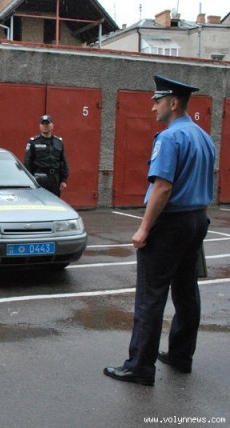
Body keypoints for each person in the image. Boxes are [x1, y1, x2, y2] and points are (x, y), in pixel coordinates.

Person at [104, 75, 215, 386]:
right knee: (186, 291)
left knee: (150, 296)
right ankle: (181, 356)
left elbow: (163, 187)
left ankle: (140, 367)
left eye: (157, 101)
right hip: (196, 220)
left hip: (170, 224)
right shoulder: (204, 136)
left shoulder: (169, 138)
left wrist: (144, 228)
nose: (153, 107)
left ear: (173, 103)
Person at [23, 115, 69, 196]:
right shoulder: (33, 142)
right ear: (40, 126)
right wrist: (30, 180)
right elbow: (27, 162)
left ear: (52, 126)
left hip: (54, 179)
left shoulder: (58, 142)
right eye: (43, 124)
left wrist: (64, 180)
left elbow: (63, 161)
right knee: (39, 200)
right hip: (39, 178)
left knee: (54, 201)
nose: (45, 126)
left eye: (47, 124)